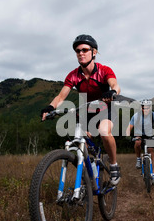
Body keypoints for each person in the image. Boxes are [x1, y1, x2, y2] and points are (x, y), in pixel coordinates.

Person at [41, 34, 121, 185]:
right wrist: (50, 107)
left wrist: (112, 92)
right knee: (78, 142)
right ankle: (87, 176)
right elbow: (60, 96)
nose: (81, 53)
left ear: (94, 52)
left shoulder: (104, 70)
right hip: (86, 111)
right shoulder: (73, 75)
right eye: (77, 51)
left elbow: (115, 85)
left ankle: (114, 165)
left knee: (104, 131)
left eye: (85, 50)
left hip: (106, 109)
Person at [125, 99, 154, 185]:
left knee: (151, 151)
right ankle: (138, 159)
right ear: (141, 108)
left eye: (147, 108)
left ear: (150, 108)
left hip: (149, 135)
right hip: (139, 134)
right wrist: (128, 135)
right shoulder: (136, 116)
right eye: (144, 108)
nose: (146, 110)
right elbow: (129, 127)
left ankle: (153, 175)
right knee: (137, 143)